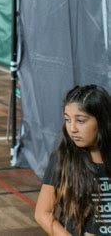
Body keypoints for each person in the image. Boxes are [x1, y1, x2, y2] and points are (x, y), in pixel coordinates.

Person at [35, 85, 111, 236]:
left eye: (81, 120)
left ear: (101, 121)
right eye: (67, 120)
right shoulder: (62, 159)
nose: (72, 128)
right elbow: (43, 214)